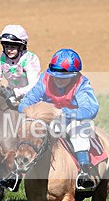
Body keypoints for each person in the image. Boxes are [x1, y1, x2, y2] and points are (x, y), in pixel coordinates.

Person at [19, 49, 99, 191]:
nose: (58, 80)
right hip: (49, 122)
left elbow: (90, 110)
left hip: (74, 121)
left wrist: (64, 113)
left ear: (73, 76)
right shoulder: (45, 79)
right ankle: (15, 173)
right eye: (55, 76)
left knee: (78, 133)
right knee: (26, 131)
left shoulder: (81, 84)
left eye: (64, 77)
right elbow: (25, 103)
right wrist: (36, 113)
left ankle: (84, 173)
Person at [0, 24, 41, 108]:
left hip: (31, 97)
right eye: (6, 46)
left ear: (21, 47)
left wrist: (15, 92)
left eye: (12, 47)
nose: (9, 50)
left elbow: (34, 85)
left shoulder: (30, 59)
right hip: (10, 95)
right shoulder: (2, 57)